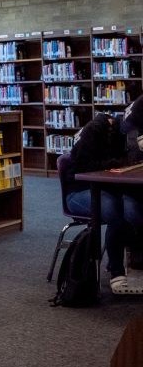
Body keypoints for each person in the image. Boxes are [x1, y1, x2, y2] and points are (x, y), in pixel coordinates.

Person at [63, 113, 143, 293]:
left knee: (133, 209)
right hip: (79, 191)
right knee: (114, 212)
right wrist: (119, 162)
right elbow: (82, 166)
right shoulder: (95, 130)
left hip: (108, 189)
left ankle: (135, 261)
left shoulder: (123, 135)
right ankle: (116, 271)